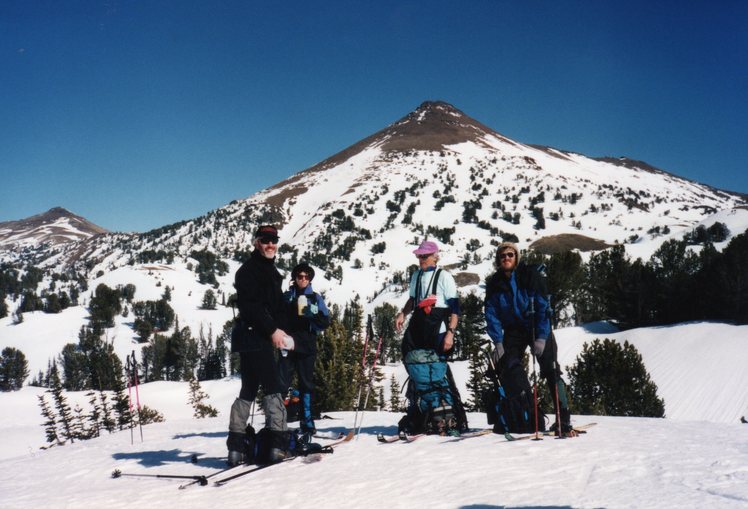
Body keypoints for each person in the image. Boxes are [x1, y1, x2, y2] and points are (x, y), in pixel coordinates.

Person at [484, 241, 574, 436]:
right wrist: (498, 342)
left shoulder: (530, 275)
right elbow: (491, 313)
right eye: (502, 256)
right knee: (508, 364)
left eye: (510, 254)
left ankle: (563, 418)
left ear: (516, 257)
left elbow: (543, 307)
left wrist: (541, 337)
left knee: (550, 369)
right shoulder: (495, 283)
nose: (506, 258)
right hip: (514, 330)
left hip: (536, 325)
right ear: (498, 261)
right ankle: (526, 412)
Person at [227, 225, 292, 465]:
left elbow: (275, 307)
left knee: (249, 389)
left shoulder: (267, 269)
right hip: (257, 337)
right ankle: (277, 445)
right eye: (265, 240)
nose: (270, 245)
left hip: (250, 338)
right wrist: (273, 330)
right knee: (273, 387)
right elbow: (252, 307)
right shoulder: (249, 271)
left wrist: (283, 329)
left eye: (273, 240)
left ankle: (236, 449)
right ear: (256, 242)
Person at [395, 240, 466, 435]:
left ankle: (444, 411)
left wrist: (450, 334)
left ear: (435, 256)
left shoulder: (444, 277)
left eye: (424, 256)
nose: (421, 259)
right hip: (419, 323)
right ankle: (425, 410)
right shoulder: (416, 276)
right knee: (410, 356)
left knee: (437, 366)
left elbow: (454, 308)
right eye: (419, 256)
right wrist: (403, 313)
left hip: (438, 326)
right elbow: (412, 299)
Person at [279, 262, 330, 436]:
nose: (303, 279)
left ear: (310, 279)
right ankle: (277, 421)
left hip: (307, 345)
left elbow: (325, 322)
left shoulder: (315, 298)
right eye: (300, 276)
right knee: (282, 383)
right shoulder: (286, 297)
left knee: (306, 384)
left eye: (306, 276)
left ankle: (307, 422)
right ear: (294, 278)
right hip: (288, 343)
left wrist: (313, 313)